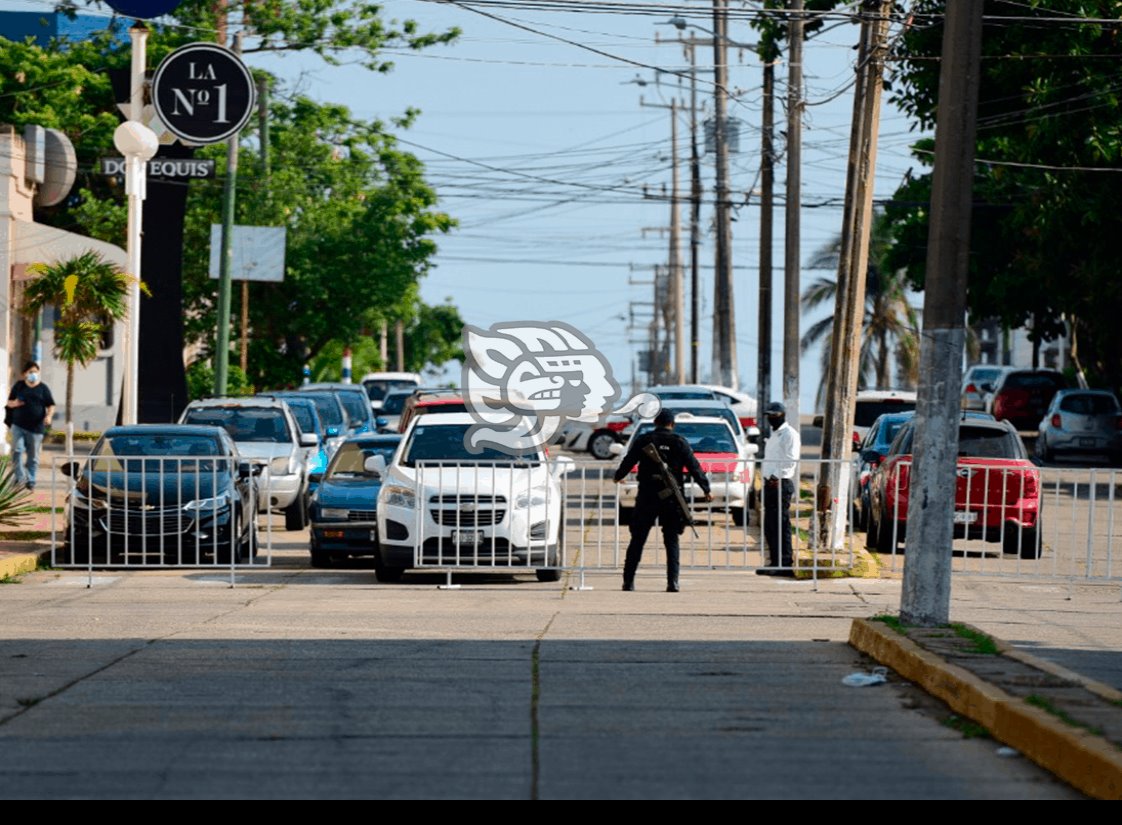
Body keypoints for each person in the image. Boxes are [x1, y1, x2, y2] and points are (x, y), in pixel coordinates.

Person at [613, 409, 711, 592]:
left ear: (655, 423)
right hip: (672, 500)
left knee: (638, 539)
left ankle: (628, 581)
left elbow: (629, 460)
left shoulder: (644, 440)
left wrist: (618, 476)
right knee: (671, 540)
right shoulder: (679, 442)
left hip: (647, 495)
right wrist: (706, 488)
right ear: (672, 425)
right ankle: (672, 582)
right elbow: (694, 467)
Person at [757, 402, 801, 577]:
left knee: (781, 525)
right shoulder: (774, 435)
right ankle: (775, 561)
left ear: (782, 415)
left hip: (781, 483)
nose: (771, 419)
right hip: (770, 483)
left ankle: (785, 562)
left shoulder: (789, 434)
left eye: (774, 416)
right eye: (769, 416)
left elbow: (791, 459)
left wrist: (776, 476)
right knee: (770, 526)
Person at [6, 361, 56, 491]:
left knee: (33, 457)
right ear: (24, 374)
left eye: (35, 372)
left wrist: (49, 416)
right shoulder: (19, 386)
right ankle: (20, 478)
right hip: (18, 426)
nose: (33, 374)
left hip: (36, 428)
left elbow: (51, 404)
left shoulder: (43, 388)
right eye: (30, 372)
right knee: (16, 451)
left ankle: (31, 480)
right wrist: (14, 403)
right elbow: (9, 402)